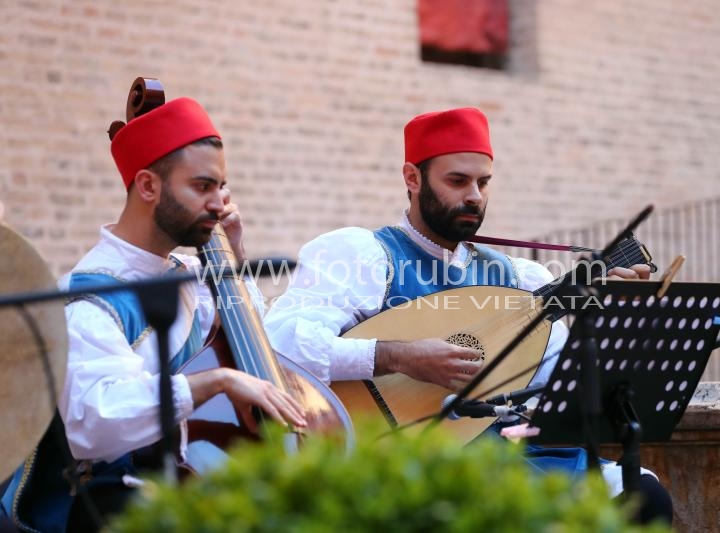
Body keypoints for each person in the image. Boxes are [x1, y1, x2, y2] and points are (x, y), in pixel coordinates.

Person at [264, 107, 672, 524]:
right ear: (412, 178)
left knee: (643, 494)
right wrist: (397, 356)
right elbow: (281, 343)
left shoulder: (517, 277)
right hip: (416, 455)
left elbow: (558, 384)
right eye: (457, 181)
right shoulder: (363, 257)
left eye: (483, 182)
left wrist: (613, 316)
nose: (474, 195)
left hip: (515, 450)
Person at [0, 97, 307, 533]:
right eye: (202, 187)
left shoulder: (190, 274)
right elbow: (95, 421)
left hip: (185, 483)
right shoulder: (87, 298)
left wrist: (233, 258)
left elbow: (254, 341)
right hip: (107, 505)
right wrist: (216, 381)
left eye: (222, 187)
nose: (219, 203)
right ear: (148, 187)